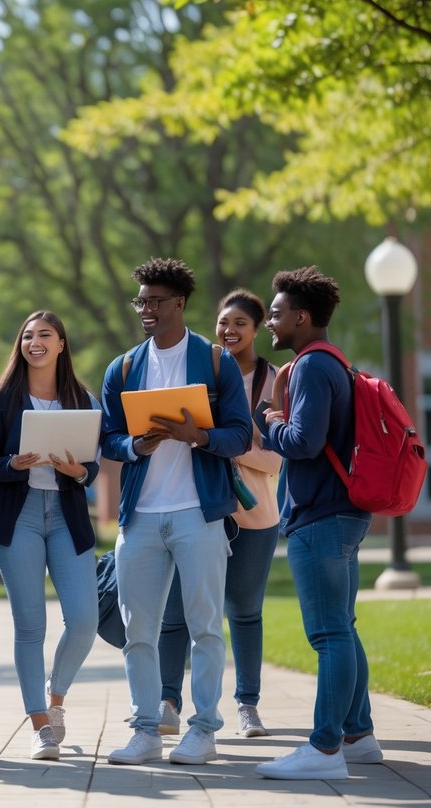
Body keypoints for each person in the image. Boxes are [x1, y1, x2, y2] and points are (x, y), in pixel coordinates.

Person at [99, 258, 251, 766]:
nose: (146, 309)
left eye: (155, 301)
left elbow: (240, 435)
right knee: (137, 629)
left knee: (205, 625)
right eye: (140, 300)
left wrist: (198, 436)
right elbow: (107, 439)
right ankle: (145, 729)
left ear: (179, 303)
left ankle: (204, 730)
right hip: (140, 516)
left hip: (198, 513)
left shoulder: (214, 362)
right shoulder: (122, 367)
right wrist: (134, 446)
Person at [255, 267, 378, 780]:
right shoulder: (338, 363)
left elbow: (304, 443)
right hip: (345, 512)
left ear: (302, 318)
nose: (271, 324)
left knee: (329, 634)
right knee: (343, 629)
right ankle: (359, 733)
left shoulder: (308, 367)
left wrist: (269, 420)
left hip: (320, 516)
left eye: (277, 314)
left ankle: (325, 750)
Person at [157, 289, 282, 739]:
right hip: (196, 505)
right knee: (175, 611)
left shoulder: (272, 382)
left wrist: (225, 438)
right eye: (223, 322)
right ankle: (167, 701)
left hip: (254, 514)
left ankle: (247, 706)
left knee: (244, 611)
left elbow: (275, 459)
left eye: (240, 324)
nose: (229, 331)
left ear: (257, 328)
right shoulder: (202, 368)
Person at [0, 311, 101, 761]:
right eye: (28, 335)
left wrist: (77, 470)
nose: (35, 342)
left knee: (85, 620)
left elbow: (94, 468)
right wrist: (14, 464)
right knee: (31, 626)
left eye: (45, 335)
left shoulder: (82, 399)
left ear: (61, 344)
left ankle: (56, 695)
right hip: (19, 516)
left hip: (66, 516)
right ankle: (40, 727)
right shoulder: (3, 401)